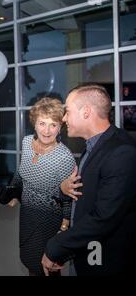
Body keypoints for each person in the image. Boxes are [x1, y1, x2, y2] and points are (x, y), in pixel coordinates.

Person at [42, 84, 136, 276]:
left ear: (86, 112)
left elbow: (104, 217)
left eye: (67, 112)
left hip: (106, 261)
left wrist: (56, 247)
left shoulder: (122, 152)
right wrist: (64, 188)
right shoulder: (94, 145)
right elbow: (88, 194)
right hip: (85, 252)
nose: (64, 119)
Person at [8, 97, 76, 276]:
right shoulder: (26, 142)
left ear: (60, 127)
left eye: (53, 125)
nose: (47, 130)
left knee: (47, 266)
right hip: (27, 214)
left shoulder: (64, 157)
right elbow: (21, 171)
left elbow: (69, 196)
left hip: (50, 219)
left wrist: (64, 227)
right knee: (30, 259)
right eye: (42, 123)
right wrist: (14, 192)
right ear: (34, 124)